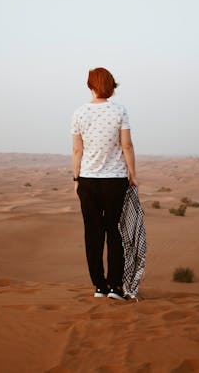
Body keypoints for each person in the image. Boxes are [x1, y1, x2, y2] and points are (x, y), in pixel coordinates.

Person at [71, 67, 138, 301]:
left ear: (90, 85)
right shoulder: (120, 110)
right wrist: (132, 174)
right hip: (115, 181)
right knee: (114, 232)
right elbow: (127, 146)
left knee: (93, 234)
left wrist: (76, 178)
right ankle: (115, 287)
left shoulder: (79, 113)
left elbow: (77, 149)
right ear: (111, 86)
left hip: (88, 181)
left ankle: (99, 287)